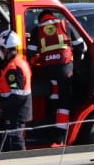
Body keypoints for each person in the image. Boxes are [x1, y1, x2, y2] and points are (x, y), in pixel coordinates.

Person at [29, 8, 75, 144]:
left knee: (54, 95)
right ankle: (59, 135)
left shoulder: (37, 29)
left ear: (41, 19)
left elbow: (31, 53)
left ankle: (49, 125)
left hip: (48, 70)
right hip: (65, 68)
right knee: (64, 99)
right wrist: (75, 65)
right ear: (52, 15)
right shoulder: (64, 24)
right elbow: (80, 47)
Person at [0, 30, 33, 152]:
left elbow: (17, 96)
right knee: (10, 142)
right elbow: (10, 88)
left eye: (1, 48)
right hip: (14, 110)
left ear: (6, 49)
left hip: (16, 112)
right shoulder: (15, 63)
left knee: (16, 142)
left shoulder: (13, 68)